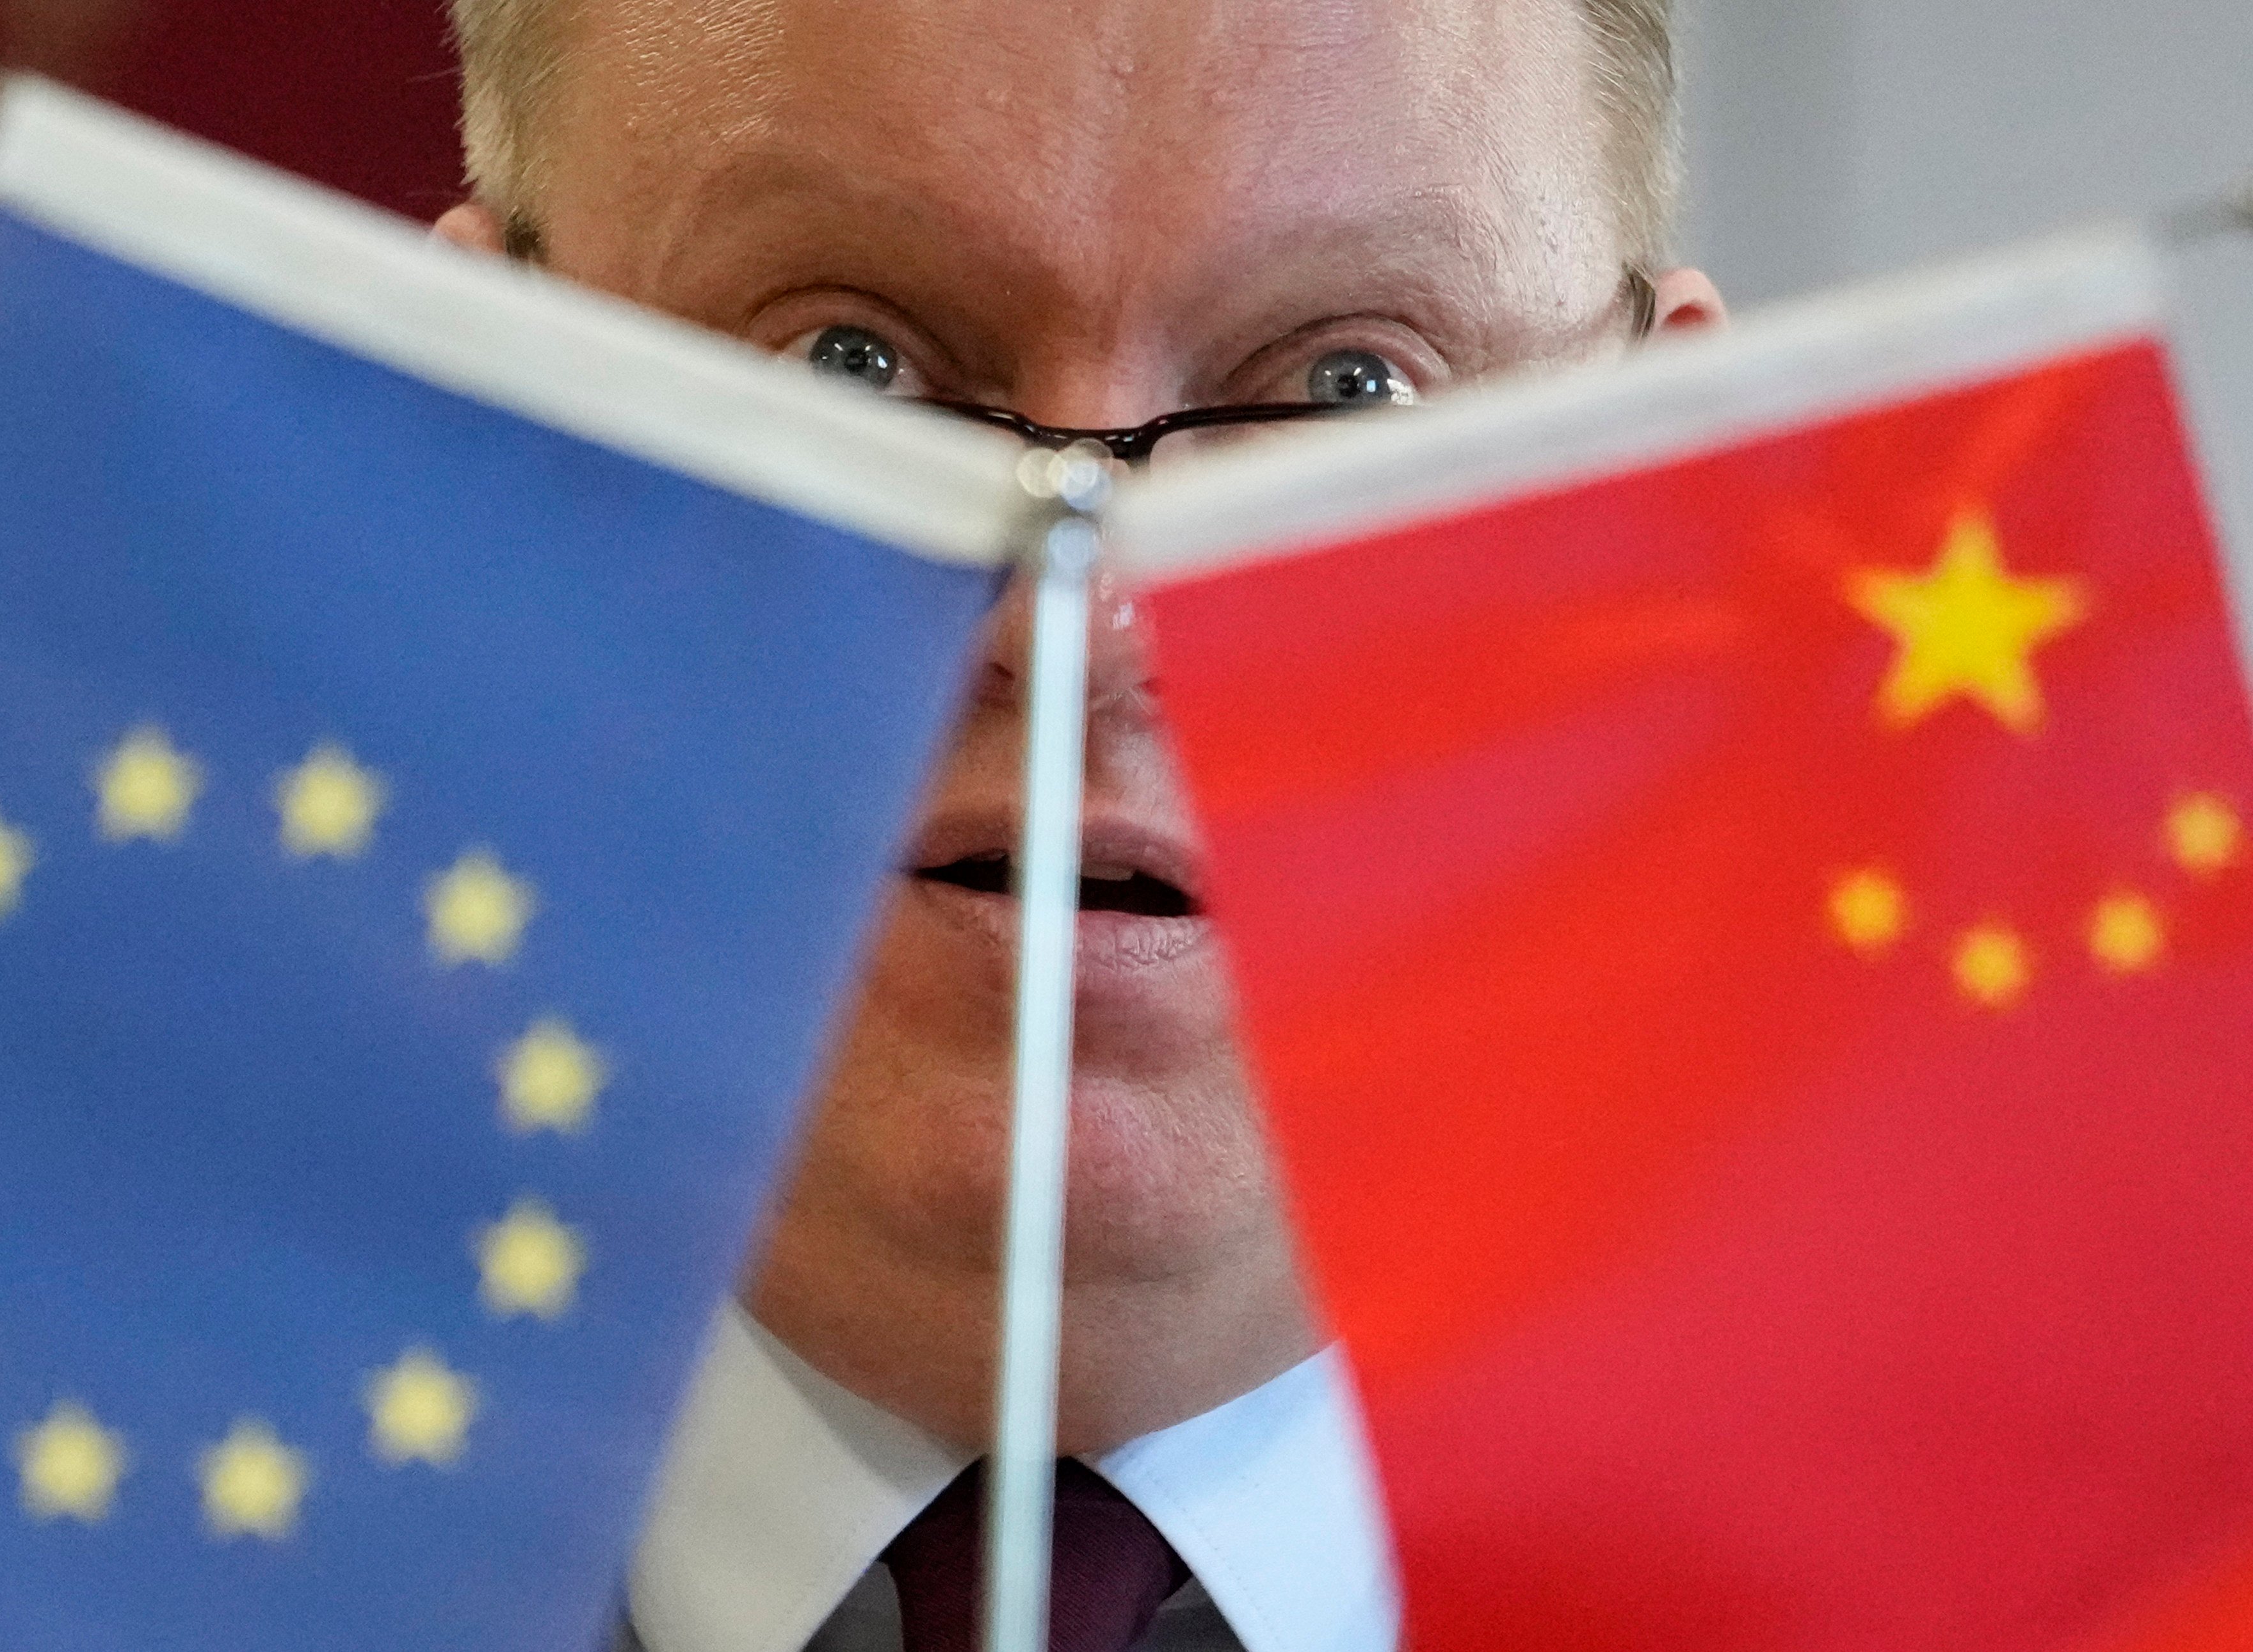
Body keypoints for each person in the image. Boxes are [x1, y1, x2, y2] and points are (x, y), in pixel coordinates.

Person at [430, 3, 1727, 1647]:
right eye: (854, 358)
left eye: (1347, 385)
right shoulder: (37, 1509)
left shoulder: (2064, 1574)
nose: (1082, 625)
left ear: (1662, 487)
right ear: (466, 414)